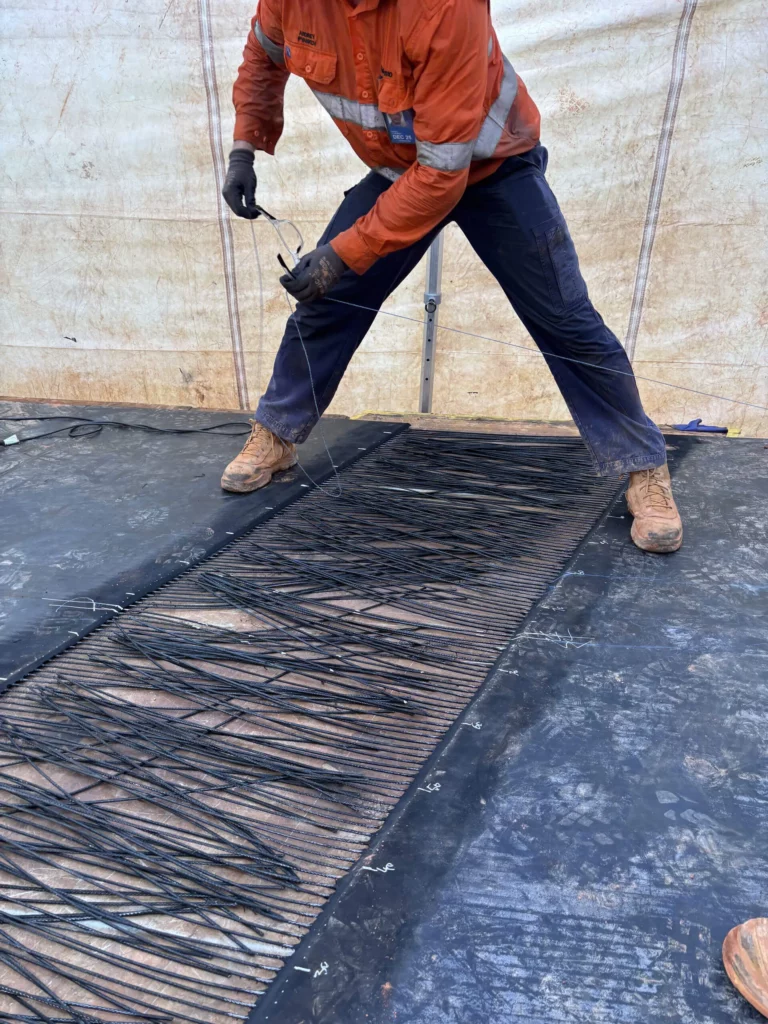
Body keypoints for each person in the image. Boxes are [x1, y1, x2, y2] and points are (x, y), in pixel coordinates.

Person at [220, 0, 683, 554]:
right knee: (325, 303)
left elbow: (442, 175)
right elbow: (263, 57)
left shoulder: (445, 6)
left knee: (565, 318)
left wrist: (341, 254)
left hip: (493, 168)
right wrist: (245, 146)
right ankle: (276, 435)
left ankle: (644, 467)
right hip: (400, 170)